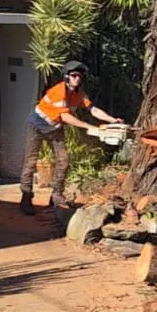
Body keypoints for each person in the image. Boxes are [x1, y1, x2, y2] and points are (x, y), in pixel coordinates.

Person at [19, 62, 124, 213]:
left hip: (55, 128)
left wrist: (112, 120)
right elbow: (66, 117)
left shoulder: (79, 93)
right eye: (74, 76)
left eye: (80, 76)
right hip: (37, 126)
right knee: (30, 162)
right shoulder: (58, 91)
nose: (77, 79)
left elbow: (92, 109)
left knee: (63, 160)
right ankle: (26, 197)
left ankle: (56, 195)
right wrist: (89, 126)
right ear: (67, 77)